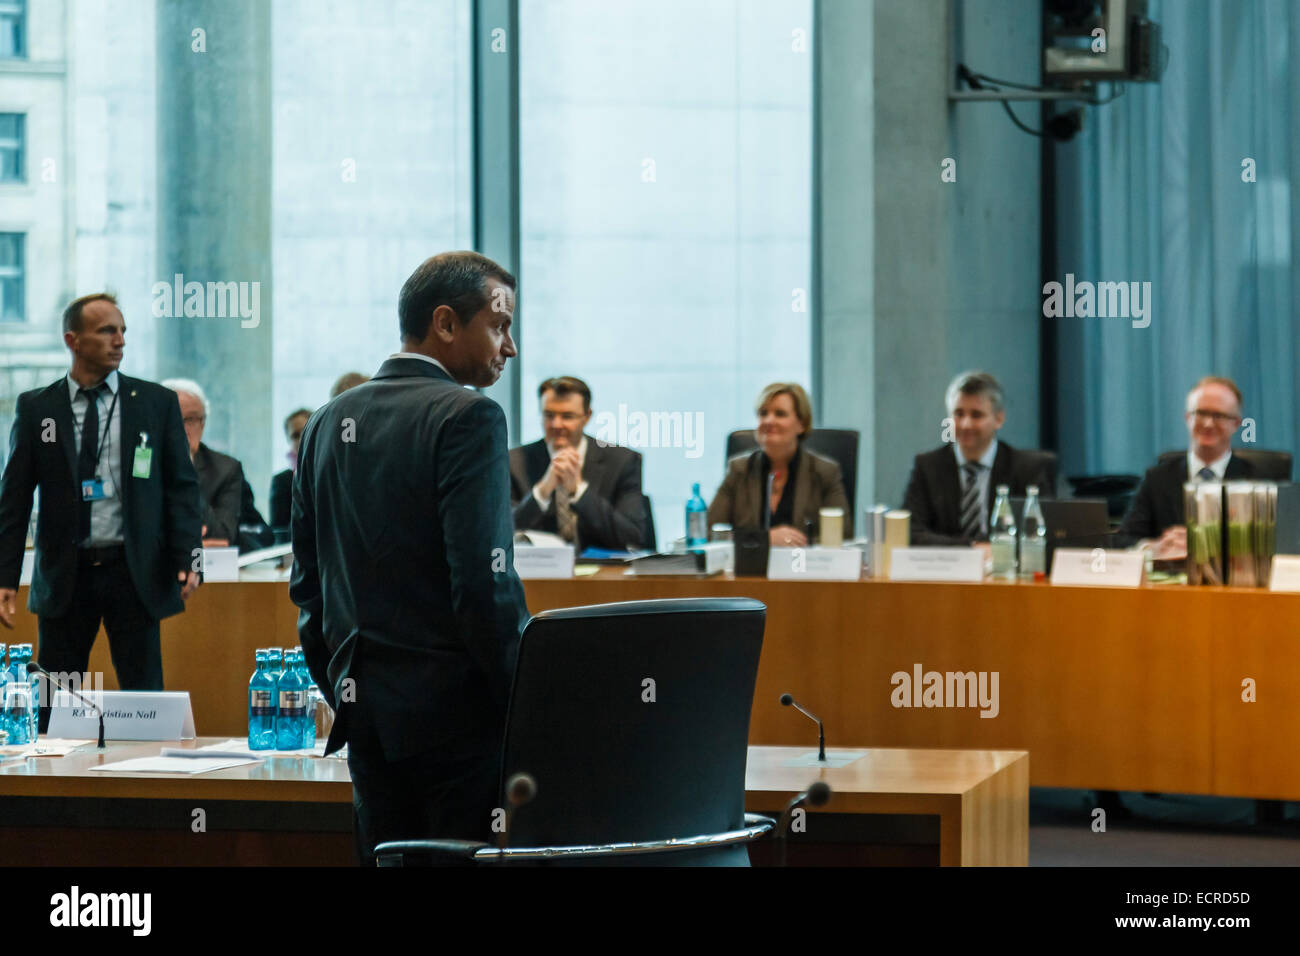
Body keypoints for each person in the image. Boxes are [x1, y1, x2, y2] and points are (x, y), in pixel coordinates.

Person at [290, 251, 528, 865]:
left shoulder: (325, 420)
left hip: (364, 714)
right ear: (445, 323)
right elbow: (484, 585)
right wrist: (521, 697)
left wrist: (343, 684)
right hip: (457, 721)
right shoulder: (470, 415)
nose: (511, 347)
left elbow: (308, 590)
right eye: (499, 327)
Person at [0, 293, 201, 717]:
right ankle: (49, 779)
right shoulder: (39, 409)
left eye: (123, 330)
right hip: (66, 574)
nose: (120, 340)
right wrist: (5, 576)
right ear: (73, 340)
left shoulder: (154, 403)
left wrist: (189, 557)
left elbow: (182, 488)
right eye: (107, 330)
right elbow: (14, 501)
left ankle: (147, 778)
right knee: (52, 699)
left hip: (133, 572)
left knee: (145, 695)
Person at [901, 371, 1053, 547]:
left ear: (998, 419)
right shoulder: (927, 467)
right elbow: (910, 533)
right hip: (945, 569)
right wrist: (972, 549)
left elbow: (1041, 533)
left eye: (976, 415)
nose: (966, 424)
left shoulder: (1027, 469)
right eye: (958, 414)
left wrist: (996, 551)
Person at [1118, 376, 1256, 556]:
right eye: (1201, 413)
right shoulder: (1157, 478)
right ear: (1187, 417)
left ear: (1236, 423)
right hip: (1171, 580)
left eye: (1218, 415)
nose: (1208, 423)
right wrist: (1155, 547)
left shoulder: (1256, 480)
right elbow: (1123, 540)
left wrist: (1210, 543)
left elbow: (1279, 545)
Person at [509, 376, 645, 552]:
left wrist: (579, 491)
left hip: (603, 573)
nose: (556, 424)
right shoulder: (514, 461)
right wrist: (542, 492)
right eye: (549, 415)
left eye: (567, 416)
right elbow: (501, 533)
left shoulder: (622, 460)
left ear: (587, 416)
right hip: (538, 573)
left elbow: (632, 537)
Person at [707, 382, 851, 546]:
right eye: (763, 413)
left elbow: (843, 536)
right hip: (750, 570)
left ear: (801, 424)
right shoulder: (738, 469)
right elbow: (708, 533)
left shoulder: (825, 472)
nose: (768, 420)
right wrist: (764, 539)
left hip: (804, 568)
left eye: (780, 414)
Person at [161, 379, 242, 547]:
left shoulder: (225, 470)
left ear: (203, 423)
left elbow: (221, 536)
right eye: (174, 418)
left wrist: (185, 468)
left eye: (190, 420)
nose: (182, 429)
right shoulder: (140, 463)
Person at [269, 407, 311, 533]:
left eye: (306, 431)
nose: (301, 439)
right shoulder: (282, 481)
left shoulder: (330, 473)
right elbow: (278, 529)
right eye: (295, 435)